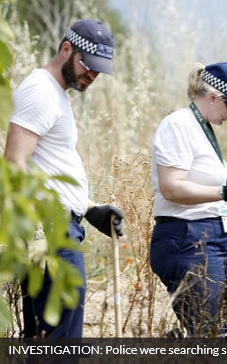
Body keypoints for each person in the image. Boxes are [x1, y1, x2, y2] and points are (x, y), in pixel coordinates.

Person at [3, 19, 124, 338]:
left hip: (60, 222)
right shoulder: (41, 90)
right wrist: (40, 233)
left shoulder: (56, 94)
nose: (93, 75)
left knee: (46, 336)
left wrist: (89, 209)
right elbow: (14, 162)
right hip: (50, 229)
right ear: (66, 49)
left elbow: (47, 169)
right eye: (88, 65)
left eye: (99, 70)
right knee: (62, 342)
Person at [149, 62, 227, 337]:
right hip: (188, 237)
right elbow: (172, 188)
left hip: (224, 237)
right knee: (210, 330)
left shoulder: (203, 130)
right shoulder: (178, 125)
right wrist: (225, 192)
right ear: (214, 97)